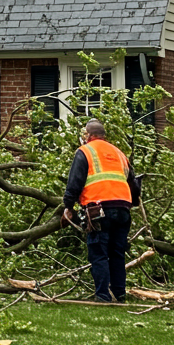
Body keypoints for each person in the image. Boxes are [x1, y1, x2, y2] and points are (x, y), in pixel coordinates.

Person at [62, 119, 141, 303]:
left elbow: (75, 182)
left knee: (99, 252)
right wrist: (133, 201)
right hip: (123, 208)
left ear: (88, 135)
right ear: (103, 135)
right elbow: (133, 184)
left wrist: (68, 206)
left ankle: (103, 296)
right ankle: (119, 294)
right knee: (117, 253)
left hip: (99, 209)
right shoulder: (119, 153)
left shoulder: (85, 151)